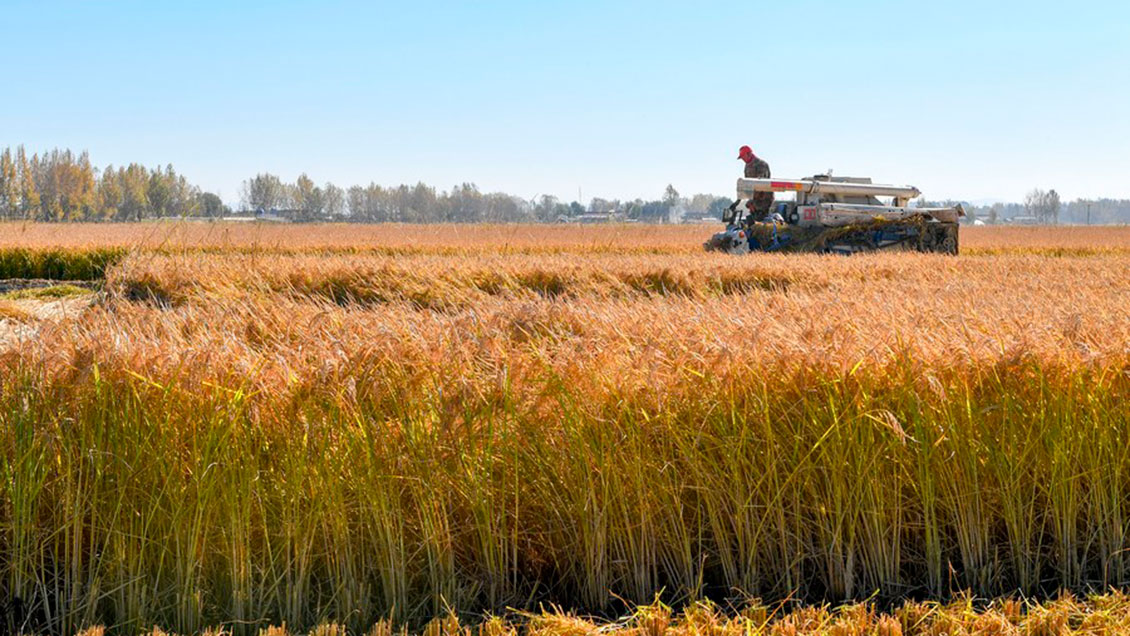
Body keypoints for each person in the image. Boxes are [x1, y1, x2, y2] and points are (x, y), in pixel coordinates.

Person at [738, 145, 774, 221]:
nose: (743, 159)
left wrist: (752, 200)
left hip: (764, 199)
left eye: (743, 157)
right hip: (754, 199)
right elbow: (748, 185)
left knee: (761, 219)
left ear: (749, 154)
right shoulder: (747, 166)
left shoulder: (761, 164)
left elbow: (762, 185)